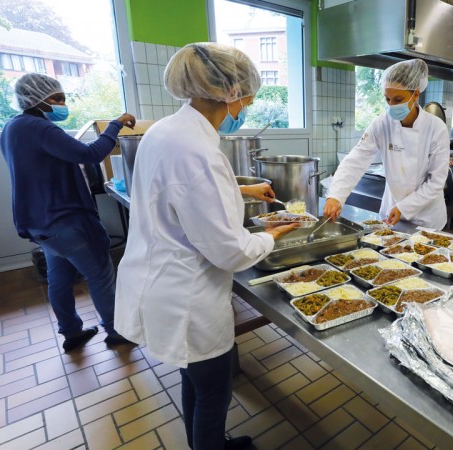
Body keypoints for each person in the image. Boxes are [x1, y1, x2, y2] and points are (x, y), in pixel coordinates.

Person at [114, 43, 299, 450]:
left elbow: (180, 190)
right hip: (188, 295)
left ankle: (206, 443)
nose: (250, 102)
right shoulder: (197, 149)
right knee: (213, 390)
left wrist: (241, 185)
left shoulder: (166, 130)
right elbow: (231, 251)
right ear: (233, 92)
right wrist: (276, 233)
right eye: (250, 94)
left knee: (193, 379)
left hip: (158, 278)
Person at [0, 73, 136, 352]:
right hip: (65, 219)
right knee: (100, 274)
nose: (62, 103)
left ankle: (72, 332)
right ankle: (116, 330)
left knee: (59, 277)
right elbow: (90, 154)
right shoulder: (40, 128)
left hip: (40, 222)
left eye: (63, 98)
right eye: (56, 98)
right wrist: (114, 125)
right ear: (35, 99)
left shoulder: (11, 128)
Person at [323, 59, 450, 229]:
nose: (391, 105)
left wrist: (404, 207)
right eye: (387, 99)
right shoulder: (382, 123)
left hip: (426, 219)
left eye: (398, 99)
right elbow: (356, 160)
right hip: (391, 213)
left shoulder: (436, 128)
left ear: (416, 94)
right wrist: (336, 195)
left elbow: (436, 181)